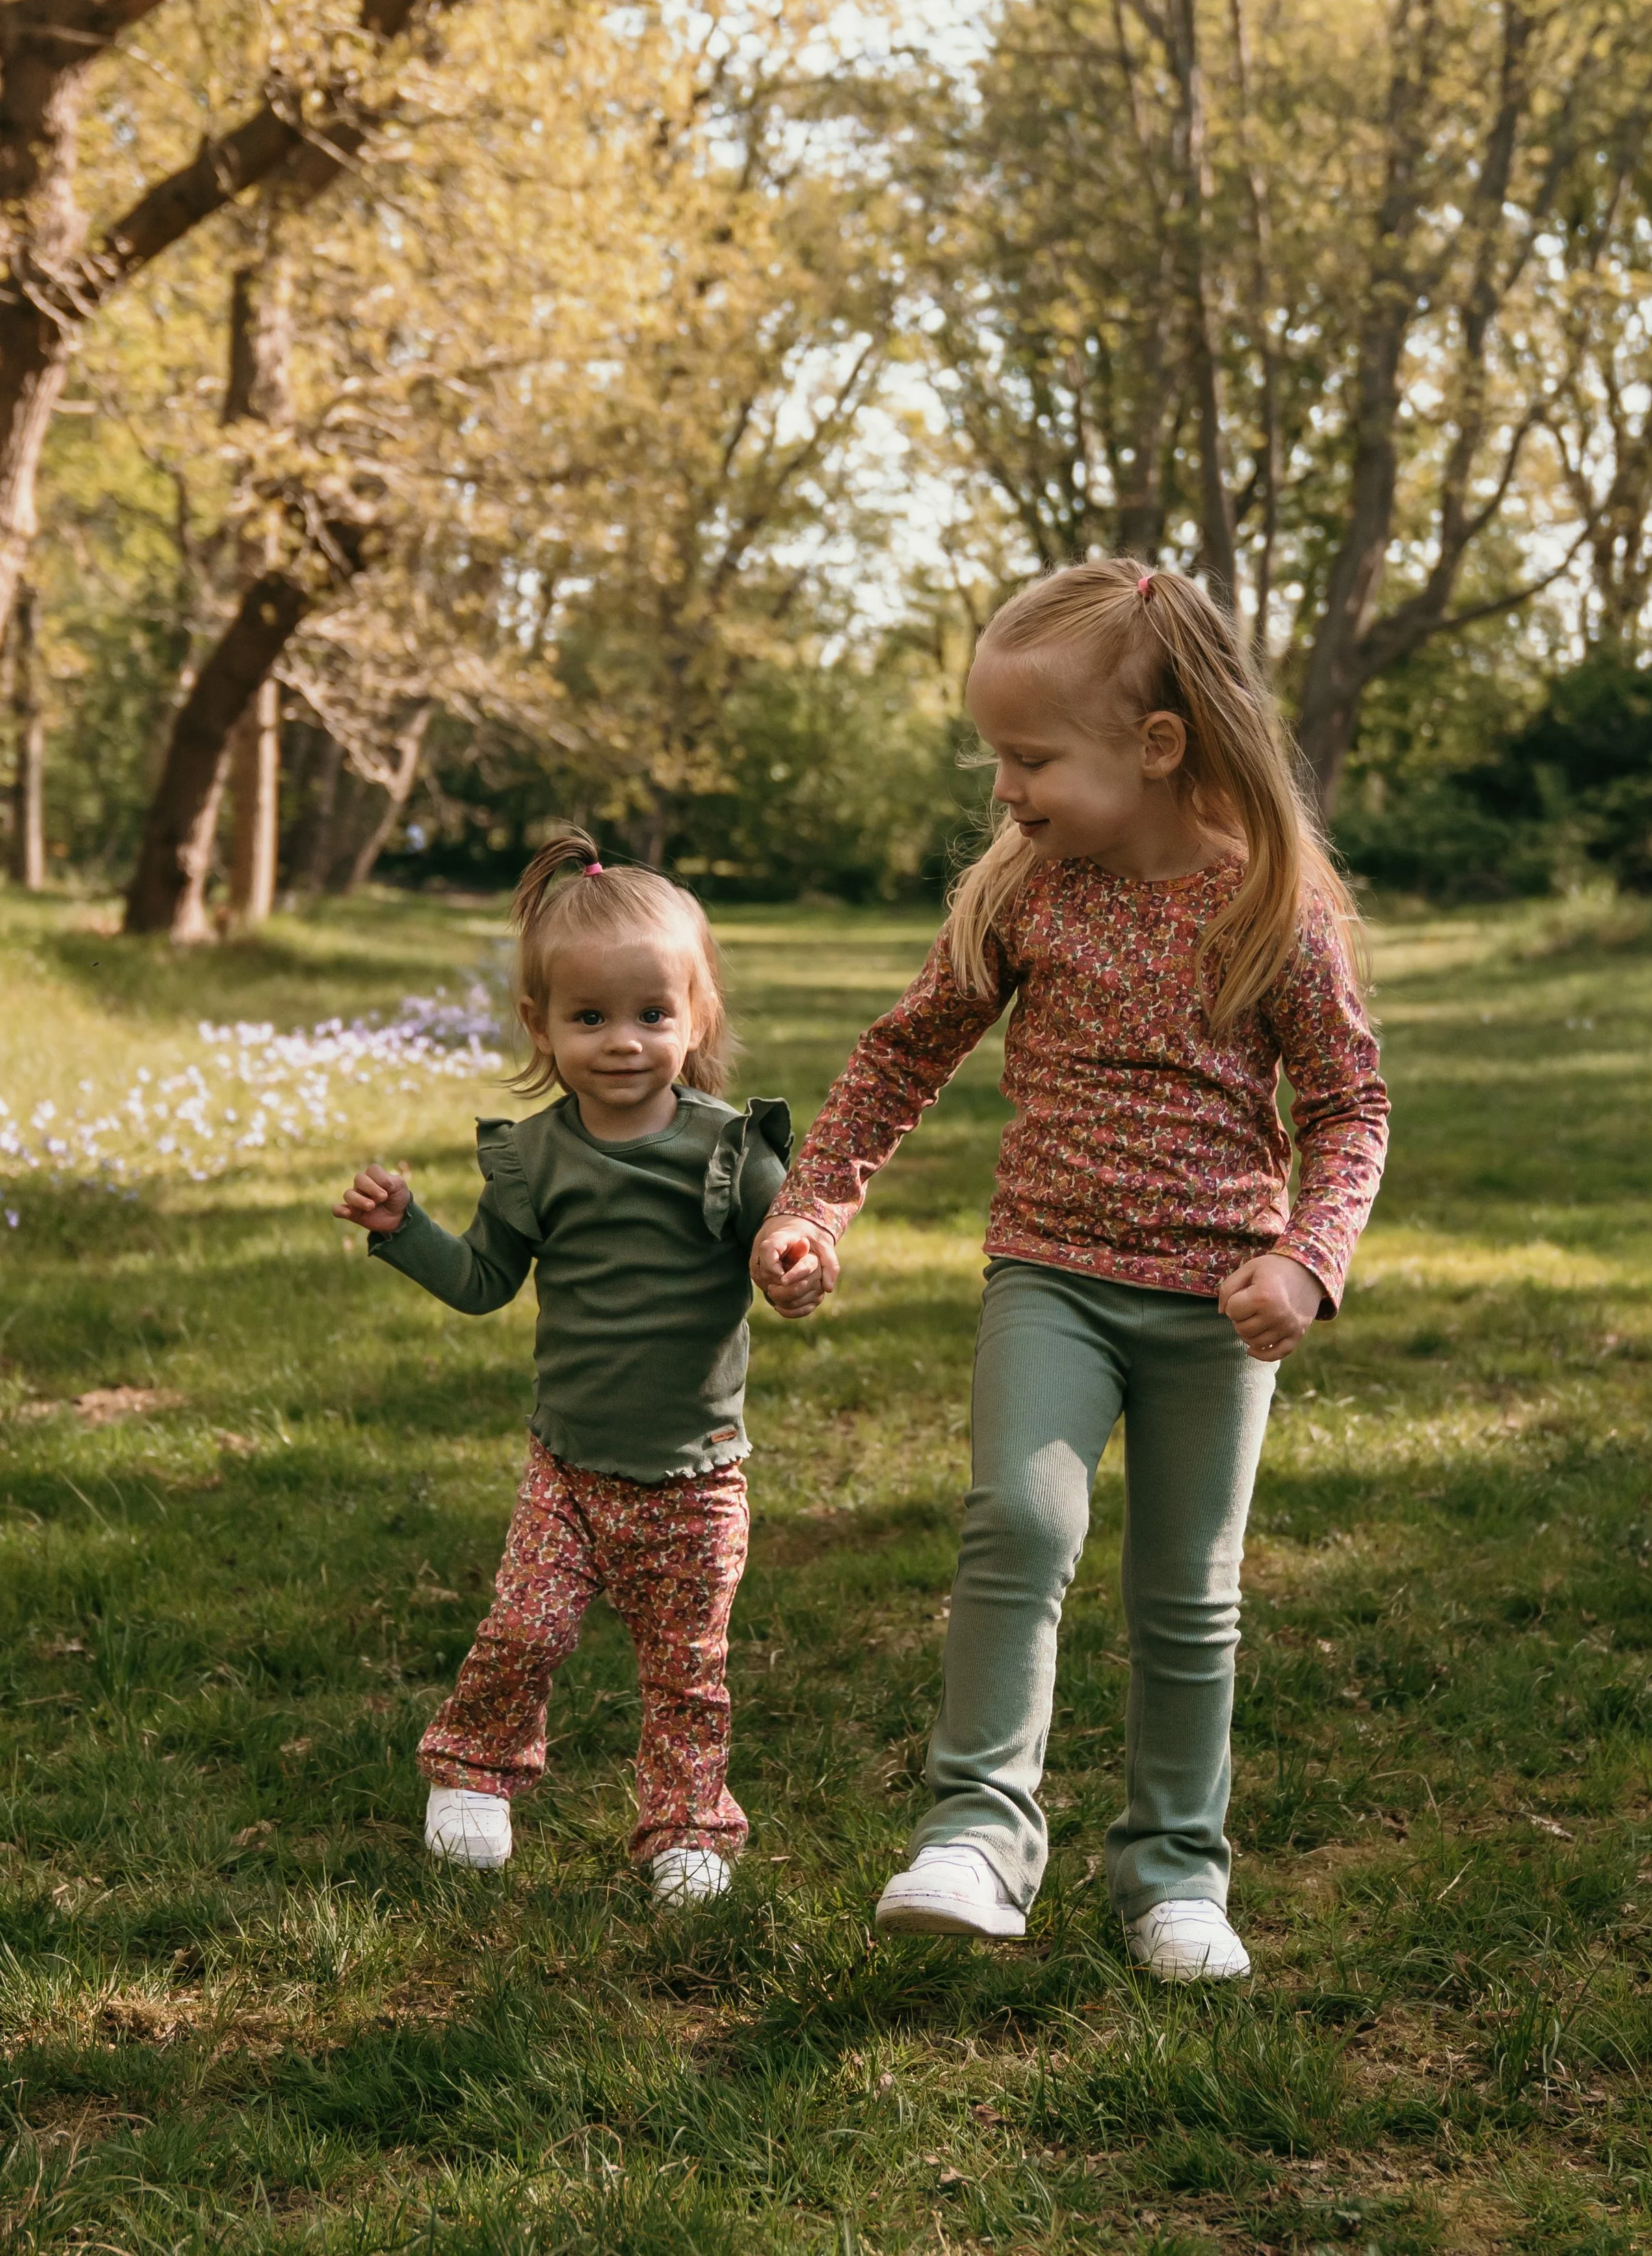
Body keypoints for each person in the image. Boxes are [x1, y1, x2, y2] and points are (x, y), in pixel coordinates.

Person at [752, 562, 1388, 1979]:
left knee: (1186, 1592)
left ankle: (1173, 1871)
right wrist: (816, 1209)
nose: (1003, 790)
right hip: (1048, 1275)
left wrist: (1306, 1261)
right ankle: (976, 1835)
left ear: (1153, 746)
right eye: (997, 755)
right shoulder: (1030, 896)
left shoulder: (1268, 912)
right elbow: (900, 1052)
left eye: (1029, 758)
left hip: (1216, 1305)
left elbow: (1348, 1106)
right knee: (1018, 1529)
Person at [335, 829, 791, 1908]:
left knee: (688, 1669)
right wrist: (410, 1229)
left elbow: (788, 1246)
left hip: (696, 1475)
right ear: (540, 1024)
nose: (623, 1042)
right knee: (525, 1626)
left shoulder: (733, 1152)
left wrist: (801, 1262)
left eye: (651, 1015)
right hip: (570, 1467)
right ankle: (475, 1772)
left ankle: (686, 1826)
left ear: (698, 1016)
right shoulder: (535, 1157)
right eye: (589, 1018)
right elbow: (488, 1277)